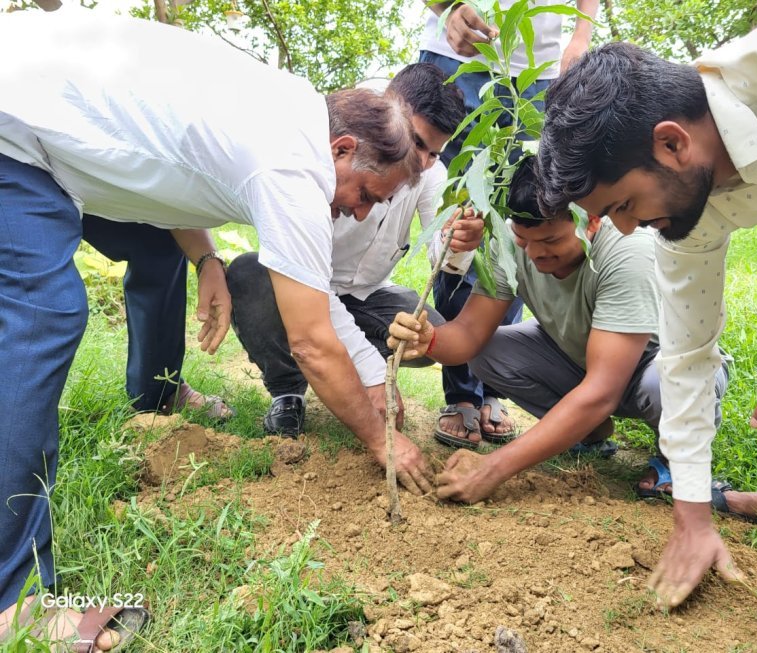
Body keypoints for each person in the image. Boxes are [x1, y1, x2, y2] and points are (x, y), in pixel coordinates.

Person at [0, 9, 425, 647]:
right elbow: (310, 339)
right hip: (16, 126)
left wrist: (206, 261)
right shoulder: (293, 162)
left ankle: (151, 399)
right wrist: (381, 439)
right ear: (340, 149)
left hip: (41, 124)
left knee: (141, 263)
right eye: (366, 192)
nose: (357, 210)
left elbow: (166, 172)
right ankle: (17, 606)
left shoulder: (282, 110)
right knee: (45, 314)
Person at [536, 0, 757, 608]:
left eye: (621, 206)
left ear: (671, 143)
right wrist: (692, 516)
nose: (627, 231)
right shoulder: (685, 208)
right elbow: (687, 358)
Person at [387, 158, 730, 499]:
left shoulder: (627, 254)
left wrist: (492, 468)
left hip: (656, 363)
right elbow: (469, 334)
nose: (535, 254)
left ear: (591, 222)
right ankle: (589, 431)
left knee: (666, 384)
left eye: (551, 241)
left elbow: (602, 391)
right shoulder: (511, 244)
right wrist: (428, 338)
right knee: (488, 354)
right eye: (524, 240)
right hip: (580, 358)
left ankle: (673, 458)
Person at [227, 62, 483, 437]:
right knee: (249, 274)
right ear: (387, 113)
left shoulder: (430, 176)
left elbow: (440, 251)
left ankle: (337, 371)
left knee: (432, 332)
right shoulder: (326, 163)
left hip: (365, 297)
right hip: (306, 292)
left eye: (433, 153)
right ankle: (288, 390)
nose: (422, 164)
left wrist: (459, 242)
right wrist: (373, 376)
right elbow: (314, 291)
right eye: (416, 144)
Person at [418, 0, 601, 445]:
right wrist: (450, 6)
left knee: (520, 221)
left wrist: (581, 34)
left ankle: (491, 392)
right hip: (459, 57)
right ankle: (462, 393)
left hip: (540, 73)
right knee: (466, 220)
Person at [81, 215, 234, 420]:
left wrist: (208, 261)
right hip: (42, 188)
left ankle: (160, 392)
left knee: (158, 231)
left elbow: (168, 205)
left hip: (112, 187)